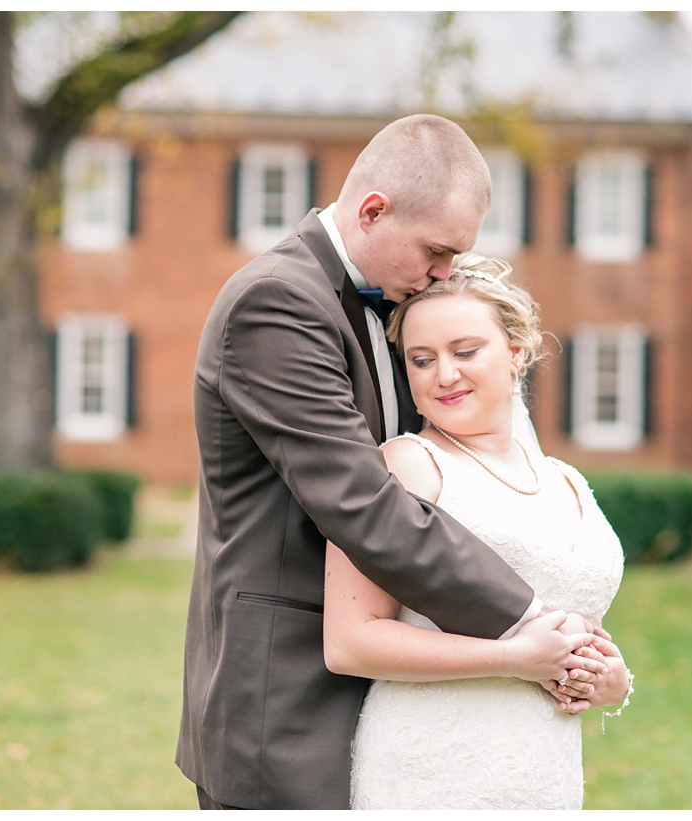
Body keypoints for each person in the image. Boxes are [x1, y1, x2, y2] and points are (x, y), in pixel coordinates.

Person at [178, 115, 608, 810]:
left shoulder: (391, 302)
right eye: (437, 250)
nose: (445, 273)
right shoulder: (278, 302)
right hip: (286, 701)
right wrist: (528, 616)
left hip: (401, 709)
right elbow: (364, 504)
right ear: (373, 210)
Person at [323, 255, 633, 809]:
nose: (444, 374)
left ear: (516, 353)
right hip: (432, 766)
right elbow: (350, 642)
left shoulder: (568, 482)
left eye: (465, 352)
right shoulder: (405, 467)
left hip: (545, 770)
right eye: (421, 360)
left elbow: (578, 632)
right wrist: (514, 659)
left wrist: (612, 682)